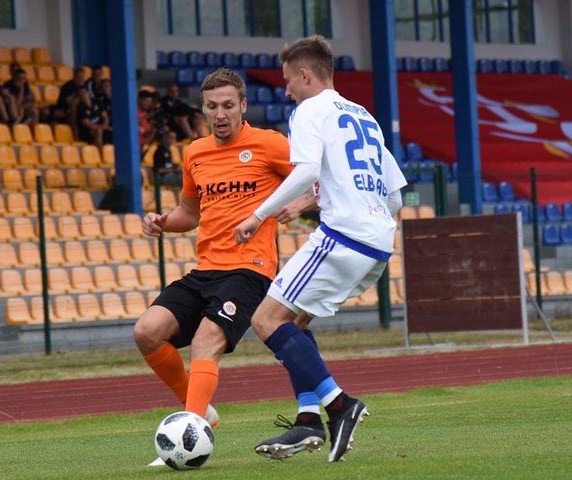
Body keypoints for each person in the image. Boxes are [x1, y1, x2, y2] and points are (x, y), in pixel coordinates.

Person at [234, 36, 407, 463]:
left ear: (306, 74)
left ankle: (339, 405)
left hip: (342, 236)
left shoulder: (309, 110)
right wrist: (313, 201)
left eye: (289, 80)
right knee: (296, 323)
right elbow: (396, 198)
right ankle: (308, 421)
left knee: (266, 320)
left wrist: (258, 214)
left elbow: (308, 168)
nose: (287, 89)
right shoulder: (364, 115)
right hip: (378, 244)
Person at [133, 68, 313, 467]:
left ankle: (189, 435)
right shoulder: (195, 152)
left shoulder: (270, 145)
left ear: (243, 106)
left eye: (229, 105)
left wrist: (301, 205)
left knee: (205, 341)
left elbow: (316, 178)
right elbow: (189, 212)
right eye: (212, 106)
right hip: (204, 270)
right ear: (202, 108)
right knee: (146, 332)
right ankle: (200, 409)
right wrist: (163, 221)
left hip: (250, 269)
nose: (220, 114)